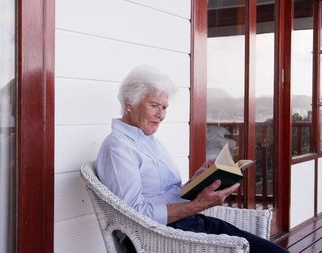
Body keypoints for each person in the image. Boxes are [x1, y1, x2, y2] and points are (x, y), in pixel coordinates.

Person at [95, 65, 288, 253]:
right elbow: (133, 217)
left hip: (188, 224)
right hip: (164, 239)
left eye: (164, 107)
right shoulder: (118, 148)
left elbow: (165, 192)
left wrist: (197, 180)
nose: (161, 115)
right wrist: (197, 205)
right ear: (129, 104)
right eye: (154, 106)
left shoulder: (147, 139)